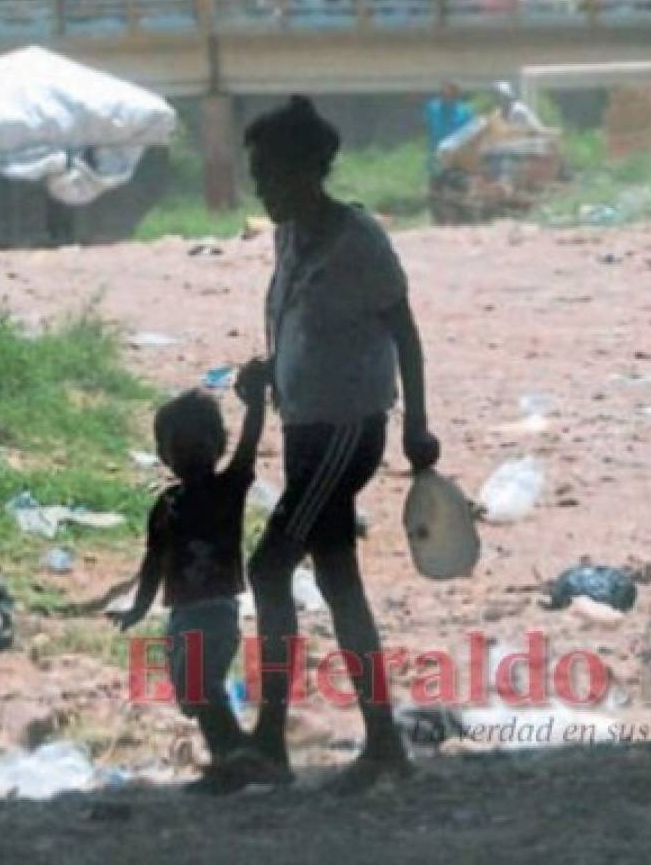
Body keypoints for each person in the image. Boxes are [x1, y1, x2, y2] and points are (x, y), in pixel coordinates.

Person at [224, 95, 441, 796]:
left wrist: (415, 425)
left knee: (267, 568)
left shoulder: (358, 241)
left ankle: (270, 740)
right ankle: (382, 743)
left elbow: (403, 330)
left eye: (265, 173)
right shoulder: (289, 237)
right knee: (336, 578)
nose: (258, 186)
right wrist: (267, 375)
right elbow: (293, 319)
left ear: (304, 170)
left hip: (346, 431)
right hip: (304, 425)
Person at [108, 366, 269, 795]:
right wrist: (140, 607)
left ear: (217, 447)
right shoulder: (166, 505)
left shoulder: (228, 489)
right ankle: (235, 754)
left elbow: (251, 447)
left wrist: (256, 405)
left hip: (216, 611)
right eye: (176, 449)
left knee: (202, 687)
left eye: (195, 446)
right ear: (164, 454)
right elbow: (153, 561)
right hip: (180, 613)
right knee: (192, 692)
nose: (186, 456)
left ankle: (230, 760)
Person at [425, 79, 473, 173]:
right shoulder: (432, 108)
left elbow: (470, 136)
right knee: (436, 184)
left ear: (457, 94)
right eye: (444, 93)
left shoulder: (465, 111)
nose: (447, 97)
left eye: (451, 94)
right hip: (437, 157)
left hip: (458, 159)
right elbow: (429, 128)